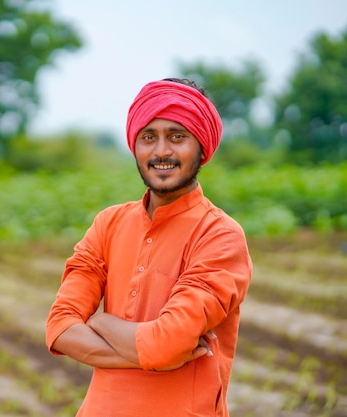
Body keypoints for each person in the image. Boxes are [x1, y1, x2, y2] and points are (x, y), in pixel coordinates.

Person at [45, 78, 253, 417]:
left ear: (202, 147)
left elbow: (166, 344)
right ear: (134, 146)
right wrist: (154, 355)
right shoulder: (108, 224)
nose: (161, 152)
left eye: (177, 136)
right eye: (148, 137)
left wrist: (100, 322)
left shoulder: (219, 235)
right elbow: (60, 329)